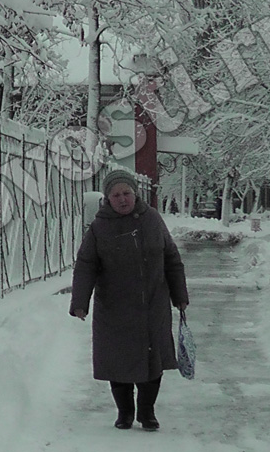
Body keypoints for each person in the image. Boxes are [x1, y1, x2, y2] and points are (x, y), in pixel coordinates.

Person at [70, 170, 189, 431]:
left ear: (135, 194)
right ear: (108, 199)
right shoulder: (100, 227)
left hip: (153, 305)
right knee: (118, 361)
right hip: (115, 307)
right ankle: (124, 412)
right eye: (116, 195)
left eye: (127, 193)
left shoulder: (153, 220)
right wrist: (80, 301)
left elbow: (171, 258)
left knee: (152, 360)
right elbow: (86, 265)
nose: (122, 199)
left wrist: (180, 295)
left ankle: (147, 412)